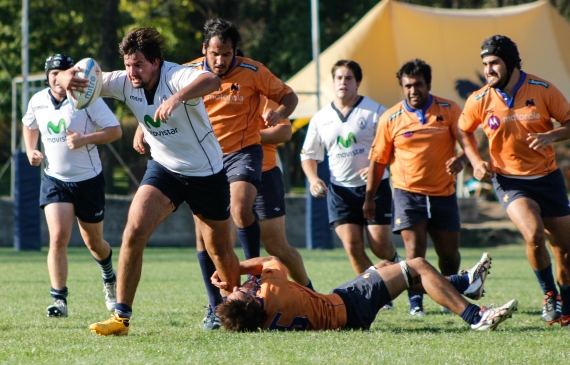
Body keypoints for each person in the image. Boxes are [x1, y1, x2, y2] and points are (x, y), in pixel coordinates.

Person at [56, 28, 241, 336]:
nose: (132, 72)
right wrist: (66, 80)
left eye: (139, 65)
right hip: (165, 169)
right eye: (128, 65)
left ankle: (233, 309)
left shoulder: (176, 76)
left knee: (219, 249)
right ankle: (121, 319)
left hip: (206, 173)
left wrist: (178, 99)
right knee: (133, 232)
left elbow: (212, 80)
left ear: (156, 62)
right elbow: (75, 79)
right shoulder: (126, 81)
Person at [183, 19, 299, 329]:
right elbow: (156, 99)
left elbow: (290, 97)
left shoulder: (253, 72)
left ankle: (254, 279)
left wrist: (280, 114)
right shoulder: (187, 72)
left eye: (227, 54)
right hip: (204, 159)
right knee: (203, 235)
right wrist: (143, 127)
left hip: (244, 153)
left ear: (236, 51)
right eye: (214, 54)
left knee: (239, 208)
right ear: (204, 50)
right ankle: (214, 306)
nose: (220, 61)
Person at [457, 35, 570, 327]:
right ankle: (549, 295)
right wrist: (475, 161)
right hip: (510, 182)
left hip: (548, 179)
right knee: (533, 234)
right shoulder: (480, 99)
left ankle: (566, 304)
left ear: (510, 63)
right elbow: (463, 130)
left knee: (564, 251)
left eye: (494, 63)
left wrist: (551, 136)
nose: (488, 70)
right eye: (484, 64)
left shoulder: (542, 90)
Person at [22, 53, 122, 317]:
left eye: (63, 71)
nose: (57, 78)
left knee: (95, 243)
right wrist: (30, 150)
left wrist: (85, 139)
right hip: (56, 180)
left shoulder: (86, 98)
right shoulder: (38, 100)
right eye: (52, 73)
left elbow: (115, 130)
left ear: (72, 74)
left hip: (88, 182)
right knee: (58, 238)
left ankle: (109, 277)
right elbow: (29, 125)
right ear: (47, 76)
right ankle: (59, 301)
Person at [364, 59, 466, 317]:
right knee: (414, 250)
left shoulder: (450, 109)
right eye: (407, 85)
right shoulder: (391, 117)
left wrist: (462, 160)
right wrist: (370, 197)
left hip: (443, 192)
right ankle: (415, 301)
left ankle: (449, 292)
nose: (413, 90)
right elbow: (378, 162)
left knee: (449, 255)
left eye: (418, 84)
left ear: (428, 84)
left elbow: (469, 146)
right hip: (407, 193)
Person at [300, 60, 400, 307]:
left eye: (348, 78)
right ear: (333, 83)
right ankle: (378, 294)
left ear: (358, 82)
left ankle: (401, 270)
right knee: (353, 247)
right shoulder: (321, 118)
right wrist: (314, 180)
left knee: (379, 247)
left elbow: (396, 145)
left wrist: (379, 166)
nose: (343, 82)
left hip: (374, 189)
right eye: (339, 78)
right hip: (340, 192)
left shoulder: (375, 112)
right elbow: (308, 155)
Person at [213, 254, 517, 332]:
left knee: (386, 266)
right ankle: (475, 315)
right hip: (350, 303)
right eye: (241, 293)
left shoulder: (261, 322)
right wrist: (236, 269)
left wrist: (234, 299)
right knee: (419, 265)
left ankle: (464, 283)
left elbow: (242, 309)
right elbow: (271, 261)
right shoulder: (272, 288)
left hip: (343, 310)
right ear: (254, 300)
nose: (238, 289)